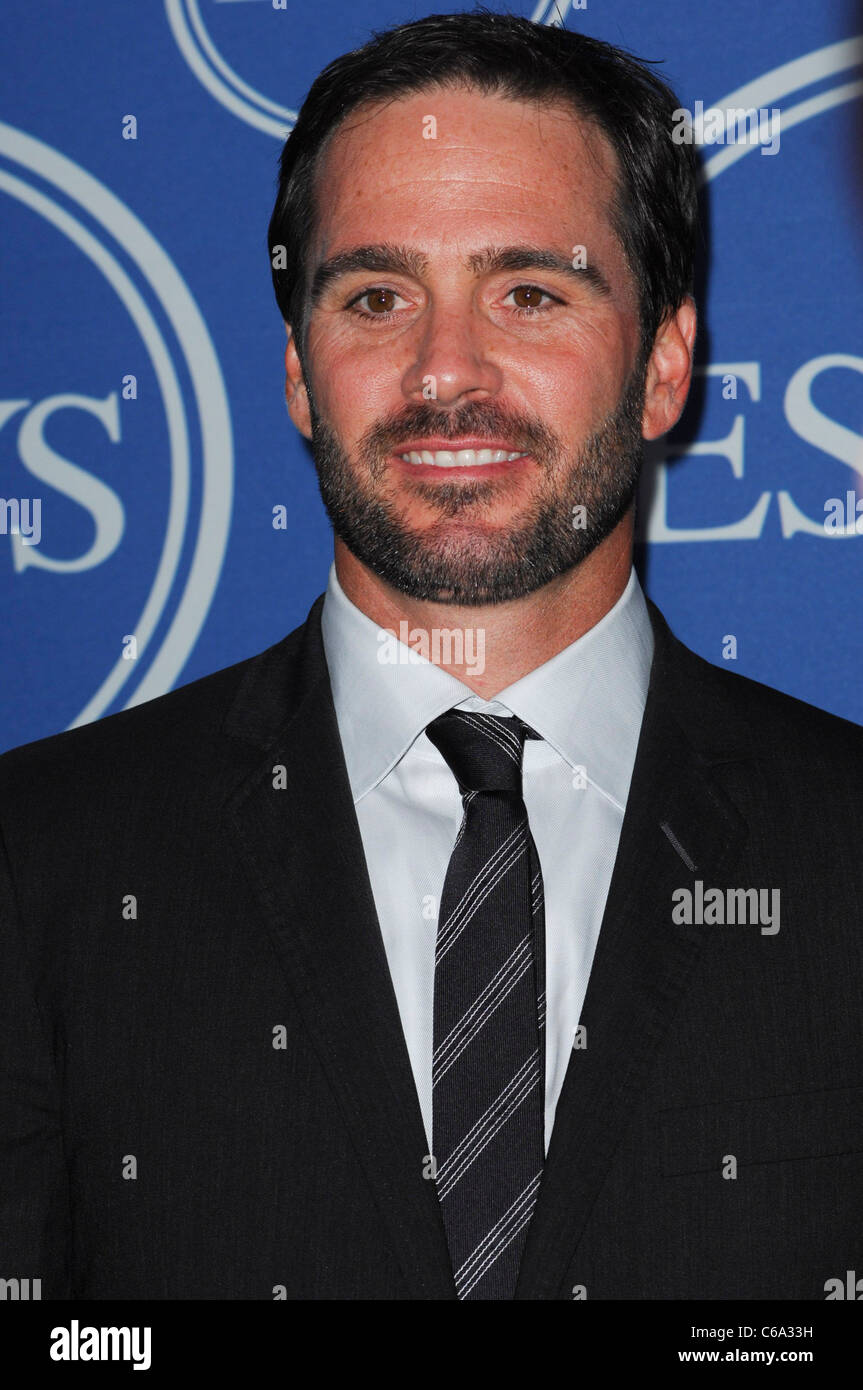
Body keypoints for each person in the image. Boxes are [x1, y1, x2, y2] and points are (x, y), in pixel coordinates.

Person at [2, 9, 861, 1302]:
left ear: (665, 363)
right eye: (376, 295)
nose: (444, 371)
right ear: (298, 370)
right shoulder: (41, 865)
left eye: (529, 290)